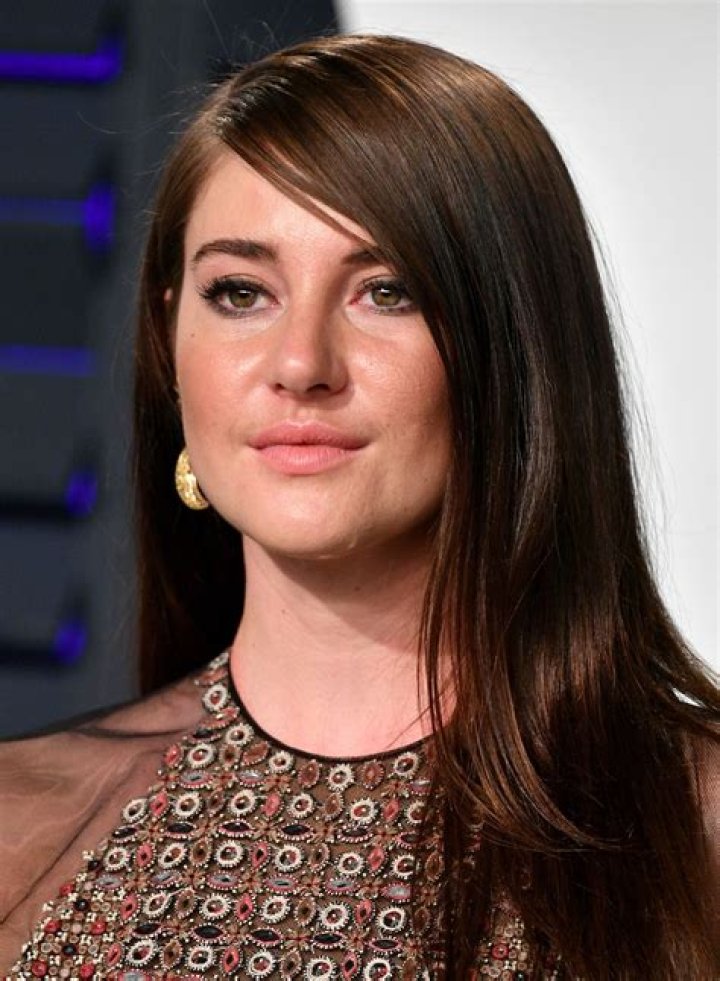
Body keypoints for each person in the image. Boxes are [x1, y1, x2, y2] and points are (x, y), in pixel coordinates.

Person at [0, 32, 718, 980]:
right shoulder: (20, 824)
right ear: (168, 339)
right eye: (241, 292)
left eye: (387, 291)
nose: (301, 364)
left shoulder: (695, 825)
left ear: (514, 348)